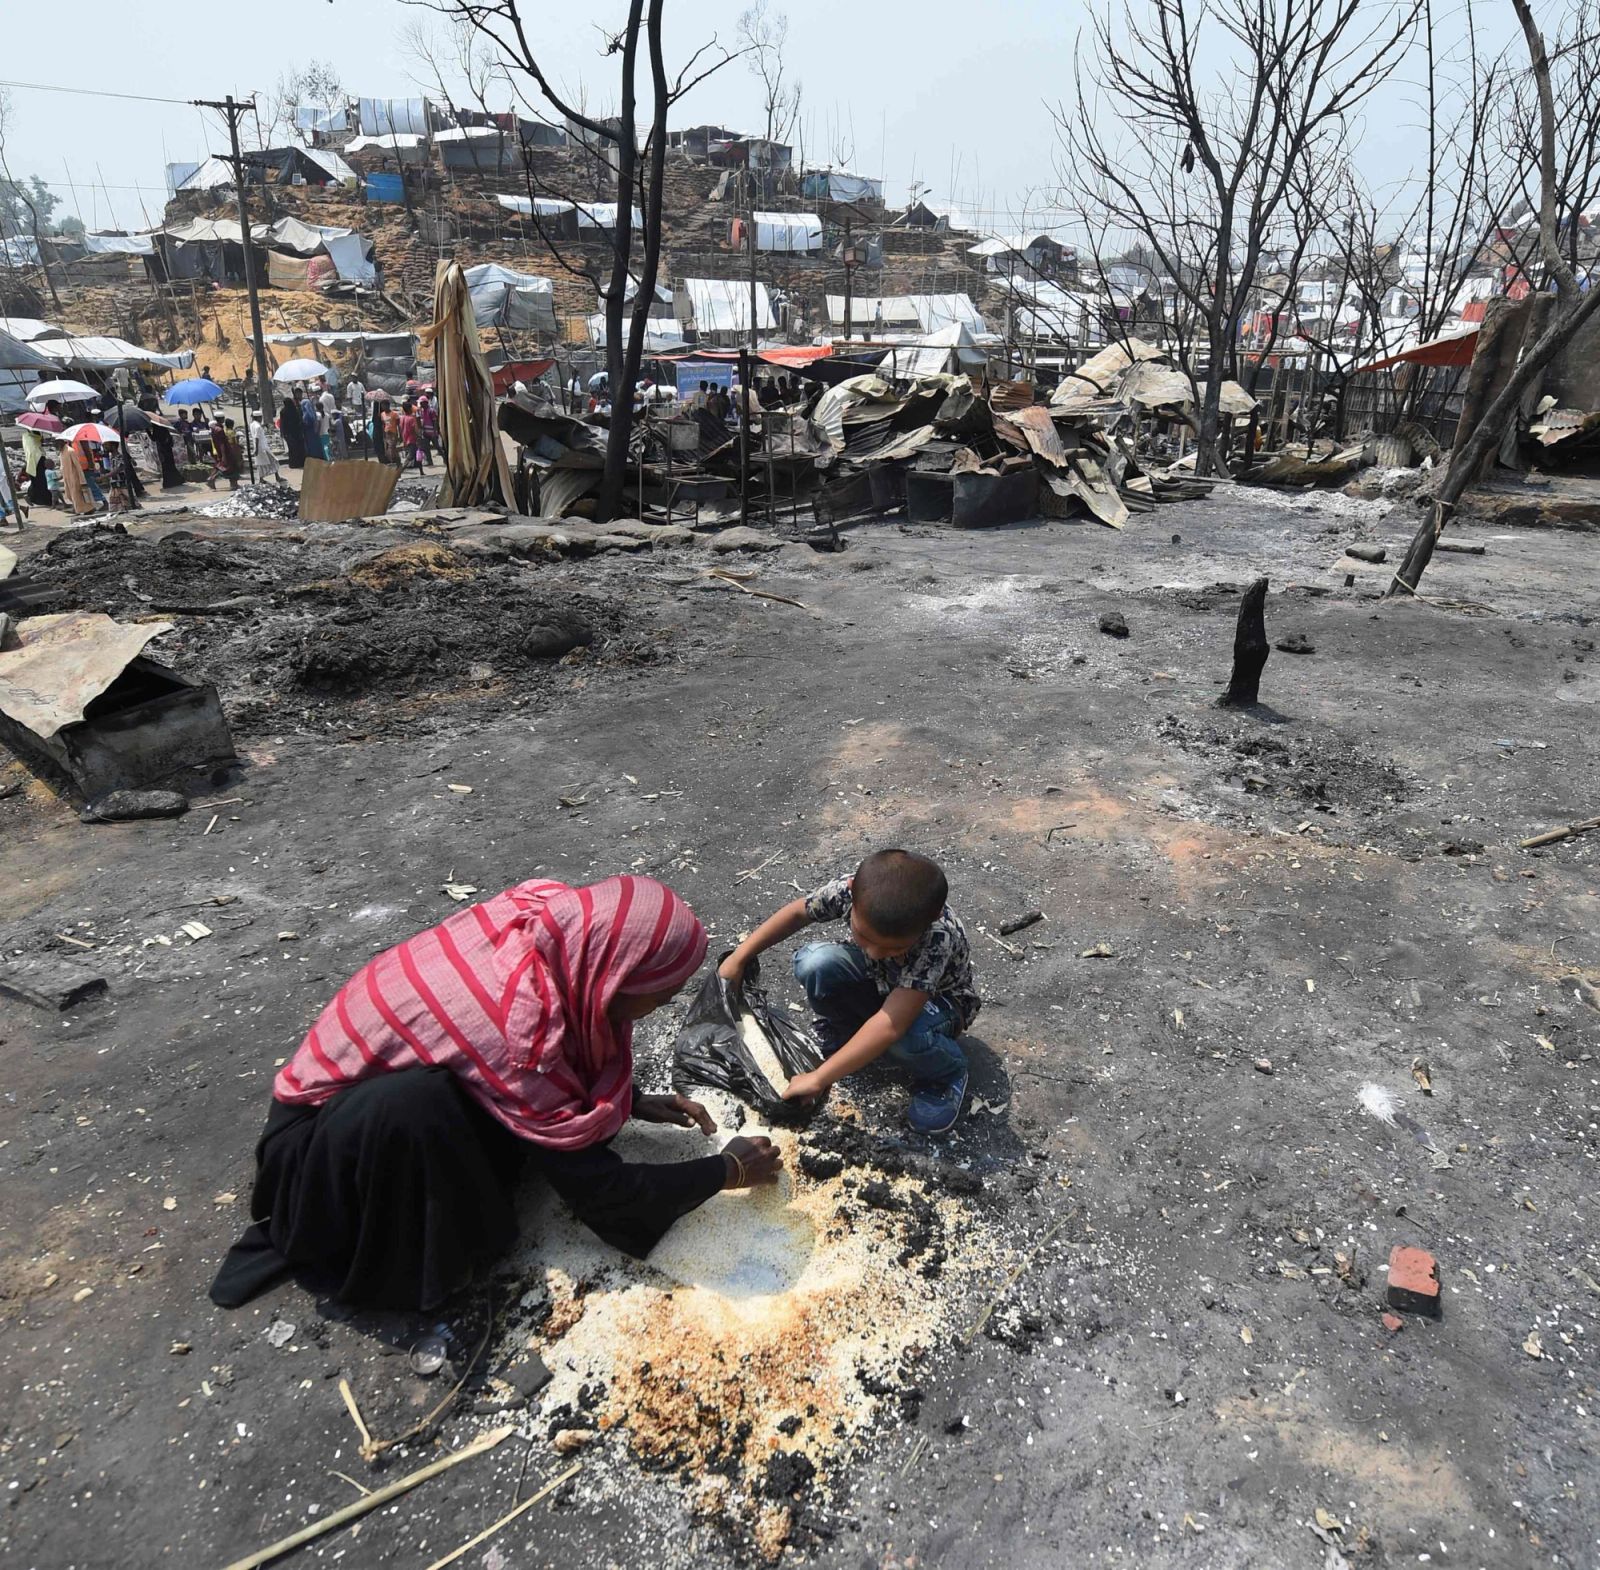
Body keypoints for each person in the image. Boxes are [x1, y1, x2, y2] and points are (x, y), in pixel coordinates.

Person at [208, 876, 782, 1312]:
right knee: (422, 1111)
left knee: (454, 1105)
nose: (664, 1004)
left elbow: (515, 1051)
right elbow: (607, 1199)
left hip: (389, 1097)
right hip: (326, 1159)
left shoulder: (554, 928)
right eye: (658, 992)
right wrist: (726, 1171)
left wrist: (628, 1099)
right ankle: (400, 1257)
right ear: (611, 977)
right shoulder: (521, 1033)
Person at [720, 850, 978, 1135]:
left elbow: (892, 1024)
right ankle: (847, 1031)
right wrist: (740, 957)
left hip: (941, 1002)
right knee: (814, 962)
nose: (874, 951)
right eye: (864, 936)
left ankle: (946, 1074)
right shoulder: (851, 891)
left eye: (895, 948)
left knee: (905, 1037)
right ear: (852, 893)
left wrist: (819, 1077)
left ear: (932, 919)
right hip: (885, 981)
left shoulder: (937, 937)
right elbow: (796, 913)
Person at [279, 397, 306, 469]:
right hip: (297, 432)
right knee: (299, 447)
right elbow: (299, 420)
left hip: (289, 433)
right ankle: (301, 462)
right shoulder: (296, 410)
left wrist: (282, 432)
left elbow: (282, 423)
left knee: (292, 449)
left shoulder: (283, 411)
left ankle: (294, 464)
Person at [398, 400, 425, 472]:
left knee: (418, 453)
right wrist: (418, 436)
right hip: (412, 439)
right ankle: (401, 470)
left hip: (405, 438)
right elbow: (414, 430)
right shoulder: (411, 418)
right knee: (411, 456)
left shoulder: (402, 418)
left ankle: (421, 471)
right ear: (410, 409)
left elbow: (400, 429)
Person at [299, 392, 324, 462]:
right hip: (314, 434)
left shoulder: (306, 415)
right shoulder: (313, 413)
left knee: (312, 448)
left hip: (309, 433)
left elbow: (306, 422)